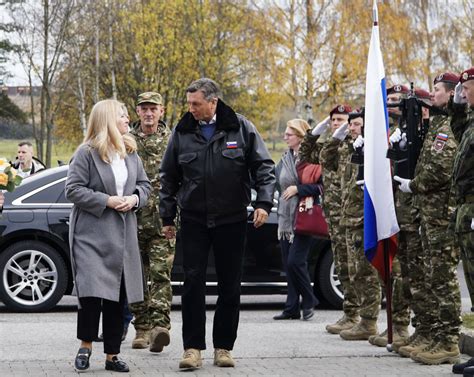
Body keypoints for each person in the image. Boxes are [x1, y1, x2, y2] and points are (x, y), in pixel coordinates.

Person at [159, 78, 275, 369]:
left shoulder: (240, 127)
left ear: (213, 102)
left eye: (196, 103)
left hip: (231, 218)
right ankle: (192, 349)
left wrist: (263, 203)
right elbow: (169, 176)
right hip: (195, 219)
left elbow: (264, 167)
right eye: (189, 103)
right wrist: (166, 216)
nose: (191, 109)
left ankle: (223, 347)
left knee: (229, 285)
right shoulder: (182, 131)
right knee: (193, 283)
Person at [66, 99, 151, 373]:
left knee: (117, 295)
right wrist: (108, 201)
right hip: (91, 235)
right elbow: (73, 189)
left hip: (122, 236)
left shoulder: (130, 153)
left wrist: (135, 199)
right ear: (107, 120)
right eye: (123, 116)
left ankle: (112, 355)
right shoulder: (86, 153)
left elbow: (145, 186)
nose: (128, 120)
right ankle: (86, 345)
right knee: (92, 293)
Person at [393, 72, 461, 365]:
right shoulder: (437, 125)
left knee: (443, 280)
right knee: (429, 278)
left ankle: (447, 341)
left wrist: (413, 184)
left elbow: (439, 168)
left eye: (437, 90)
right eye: (432, 89)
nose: (433, 94)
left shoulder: (448, 126)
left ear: (451, 92)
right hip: (427, 216)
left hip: (440, 216)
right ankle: (430, 333)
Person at [128, 91, 175, 353]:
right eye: (144, 108)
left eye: (153, 109)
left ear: (161, 111)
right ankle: (141, 328)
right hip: (131, 219)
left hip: (163, 220)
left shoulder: (172, 140)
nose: (148, 113)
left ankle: (160, 328)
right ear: (137, 112)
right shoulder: (126, 140)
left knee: (160, 274)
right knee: (135, 275)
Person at [312, 104, 363, 335]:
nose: (338, 124)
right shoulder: (338, 146)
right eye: (333, 120)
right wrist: (318, 133)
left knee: (357, 269)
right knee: (343, 267)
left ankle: (361, 317)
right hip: (335, 215)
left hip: (354, 216)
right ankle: (350, 314)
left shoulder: (355, 146)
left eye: (343, 120)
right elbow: (311, 155)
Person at [273, 119, 320, 321]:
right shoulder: (284, 159)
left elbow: (322, 187)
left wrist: (298, 189)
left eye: (289, 134)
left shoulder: (310, 159)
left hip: (304, 215)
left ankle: (309, 300)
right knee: (287, 263)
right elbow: (276, 182)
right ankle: (292, 307)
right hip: (285, 218)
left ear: (300, 136)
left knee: (295, 262)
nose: (285, 137)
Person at [449, 67, 474, 376]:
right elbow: (460, 134)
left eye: (467, 88)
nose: (464, 92)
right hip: (466, 211)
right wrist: (457, 107)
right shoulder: (471, 123)